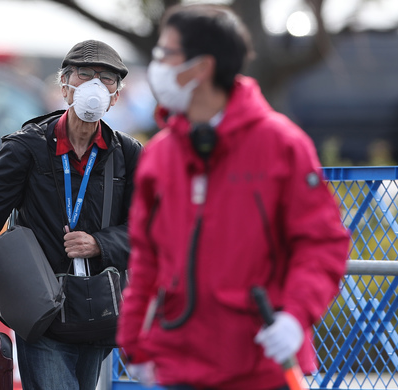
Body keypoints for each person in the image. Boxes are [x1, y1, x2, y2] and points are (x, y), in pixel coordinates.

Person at [116, 4, 350, 390]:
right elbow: (145, 259)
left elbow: (322, 242)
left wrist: (295, 317)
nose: (155, 64)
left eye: (165, 54)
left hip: (262, 367)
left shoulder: (281, 145)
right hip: (177, 364)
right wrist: (134, 345)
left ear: (202, 66)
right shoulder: (160, 155)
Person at [0, 40, 142, 390]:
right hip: (42, 310)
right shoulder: (27, 148)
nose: (95, 85)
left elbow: (151, 229)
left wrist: (101, 243)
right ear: (64, 87)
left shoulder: (127, 153)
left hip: (99, 311)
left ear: (116, 96)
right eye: (85, 75)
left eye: (107, 78)